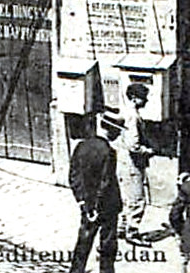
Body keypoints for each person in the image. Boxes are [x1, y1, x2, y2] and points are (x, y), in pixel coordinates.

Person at [70, 112, 123, 273]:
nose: (119, 134)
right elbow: (105, 183)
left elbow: (73, 177)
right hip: (107, 206)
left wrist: (83, 202)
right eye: (118, 131)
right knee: (107, 243)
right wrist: (96, 206)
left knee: (83, 242)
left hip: (86, 205)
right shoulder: (109, 151)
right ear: (112, 131)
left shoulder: (81, 146)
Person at [118, 82, 156, 241]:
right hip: (133, 165)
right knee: (137, 200)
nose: (146, 101)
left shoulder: (126, 112)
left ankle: (121, 228)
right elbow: (133, 145)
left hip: (124, 162)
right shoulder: (133, 116)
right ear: (134, 98)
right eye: (143, 98)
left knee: (127, 198)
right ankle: (132, 232)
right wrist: (147, 151)